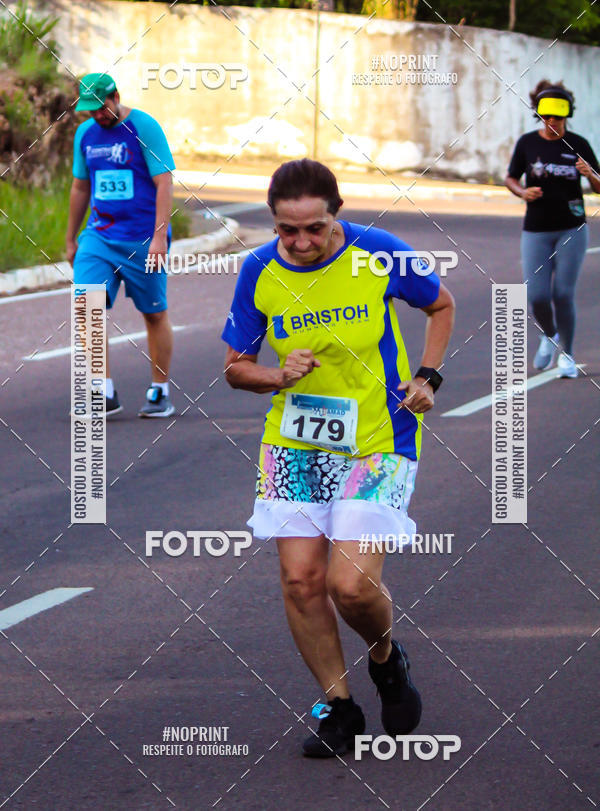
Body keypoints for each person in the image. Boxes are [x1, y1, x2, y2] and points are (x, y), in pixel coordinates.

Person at [221, 159, 455, 757]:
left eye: (315, 229)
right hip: (296, 445)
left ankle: (385, 656)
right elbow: (235, 368)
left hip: (379, 437)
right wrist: (275, 373)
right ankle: (340, 709)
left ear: (337, 216)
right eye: (286, 230)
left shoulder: (379, 252)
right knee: (302, 582)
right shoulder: (257, 271)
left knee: (350, 586)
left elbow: (441, 304)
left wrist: (428, 376)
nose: (301, 242)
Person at [66, 73, 176, 417]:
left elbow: (164, 182)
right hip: (98, 237)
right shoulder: (85, 135)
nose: (96, 116)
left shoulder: (144, 127)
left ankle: (160, 390)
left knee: (154, 313)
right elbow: (81, 187)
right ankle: (103, 391)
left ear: (115, 96)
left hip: (143, 239)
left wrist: (159, 236)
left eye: (101, 108)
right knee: (86, 306)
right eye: (90, 111)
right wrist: (71, 238)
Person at [505, 80, 600, 378]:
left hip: (571, 228)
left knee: (562, 294)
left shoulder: (579, 144)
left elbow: (599, 186)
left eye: (558, 117)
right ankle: (550, 335)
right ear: (539, 116)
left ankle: (567, 356)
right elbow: (510, 177)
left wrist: (591, 174)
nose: (553, 123)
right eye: (547, 117)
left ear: (566, 116)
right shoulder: (527, 143)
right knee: (537, 296)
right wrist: (521, 192)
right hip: (535, 229)